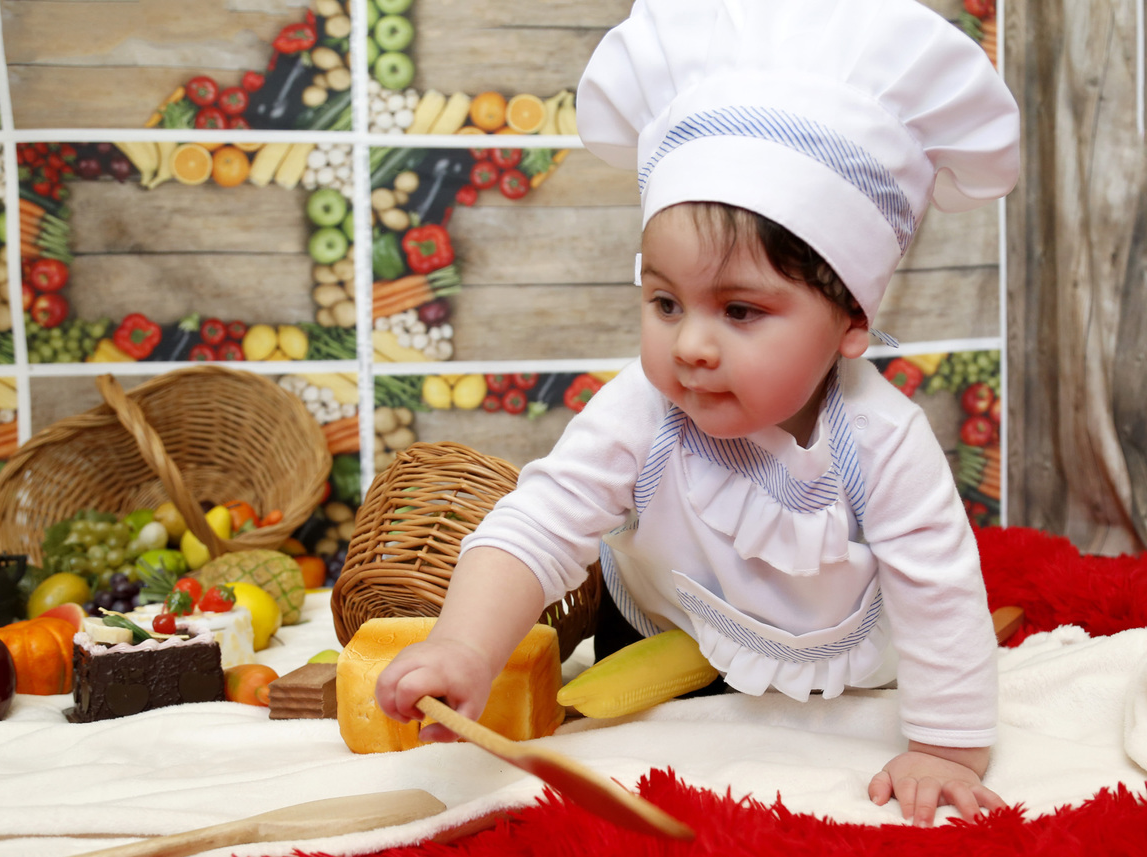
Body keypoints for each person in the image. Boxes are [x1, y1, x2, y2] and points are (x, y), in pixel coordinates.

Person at [376, 0, 1019, 828]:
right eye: (665, 302)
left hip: (833, 662)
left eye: (740, 310)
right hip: (656, 630)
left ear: (851, 321)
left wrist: (945, 747)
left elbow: (938, 584)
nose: (691, 345)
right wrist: (463, 647)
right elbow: (540, 521)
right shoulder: (643, 409)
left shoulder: (881, 438)